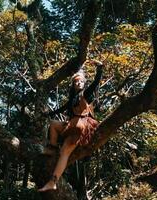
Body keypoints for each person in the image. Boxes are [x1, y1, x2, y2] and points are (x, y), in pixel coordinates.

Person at [38, 60, 104, 192]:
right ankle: (51, 147)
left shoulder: (86, 93)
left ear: (84, 82)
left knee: (64, 152)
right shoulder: (73, 98)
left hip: (81, 126)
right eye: (75, 82)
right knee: (53, 124)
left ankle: (53, 181)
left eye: (80, 81)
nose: (78, 83)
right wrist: (47, 114)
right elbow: (62, 108)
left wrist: (100, 68)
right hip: (72, 124)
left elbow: (96, 82)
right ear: (73, 84)